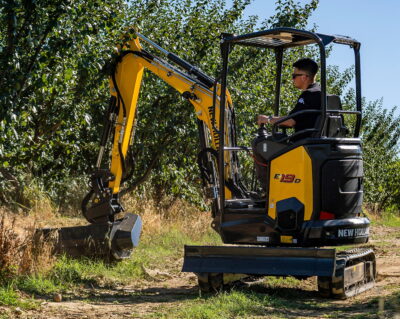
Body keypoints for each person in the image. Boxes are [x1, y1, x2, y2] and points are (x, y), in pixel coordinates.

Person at [257, 58, 321, 140]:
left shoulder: (309, 95)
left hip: (302, 144)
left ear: (304, 77)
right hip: (318, 144)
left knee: (263, 145)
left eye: (294, 76)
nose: (292, 79)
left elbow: (290, 121)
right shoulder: (322, 94)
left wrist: (267, 119)